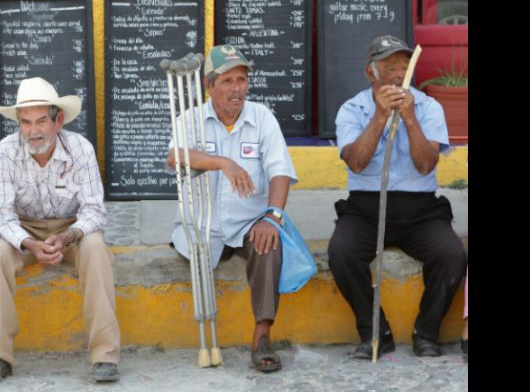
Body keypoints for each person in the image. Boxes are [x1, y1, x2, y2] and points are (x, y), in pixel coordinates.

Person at [0, 77, 120, 385]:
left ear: (59, 120)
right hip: (24, 228)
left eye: (41, 121)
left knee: (96, 250)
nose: (34, 131)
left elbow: (94, 210)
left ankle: (105, 355)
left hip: (71, 229)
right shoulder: (5, 152)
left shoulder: (80, 149)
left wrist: (68, 237)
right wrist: (29, 243)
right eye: (25, 122)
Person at [327, 35, 467, 359]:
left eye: (404, 68)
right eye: (389, 68)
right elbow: (357, 162)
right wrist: (379, 117)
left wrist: (410, 118)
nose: (397, 76)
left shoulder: (428, 107)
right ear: (370, 73)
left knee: (451, 255)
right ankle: (375, 332)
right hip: (365, 208)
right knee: (341, 252)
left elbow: (425, 165)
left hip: (420, 211)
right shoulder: (353, 109)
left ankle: (427, 332)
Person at [165, 45, 297, 372]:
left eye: (242, 80)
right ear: (209, 86)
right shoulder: (190, 119)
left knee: (270, 243)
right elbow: (175, 157)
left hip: (247, 224)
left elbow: (281, 170)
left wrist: (272, 216)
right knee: (199, 250)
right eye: (227, 81)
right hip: (202, 225)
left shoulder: (261, 117)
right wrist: (221, 162)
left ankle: (262, 335)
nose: (237, 88)